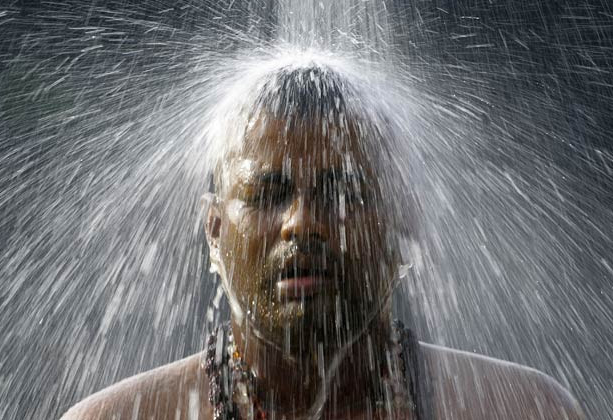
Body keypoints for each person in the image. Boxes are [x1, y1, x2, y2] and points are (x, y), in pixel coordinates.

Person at [61, 62, 585, 420]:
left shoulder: (522, 407)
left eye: (344, 192)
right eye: (269, 194)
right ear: (215, 229)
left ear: (403, 220)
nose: (301, 223)